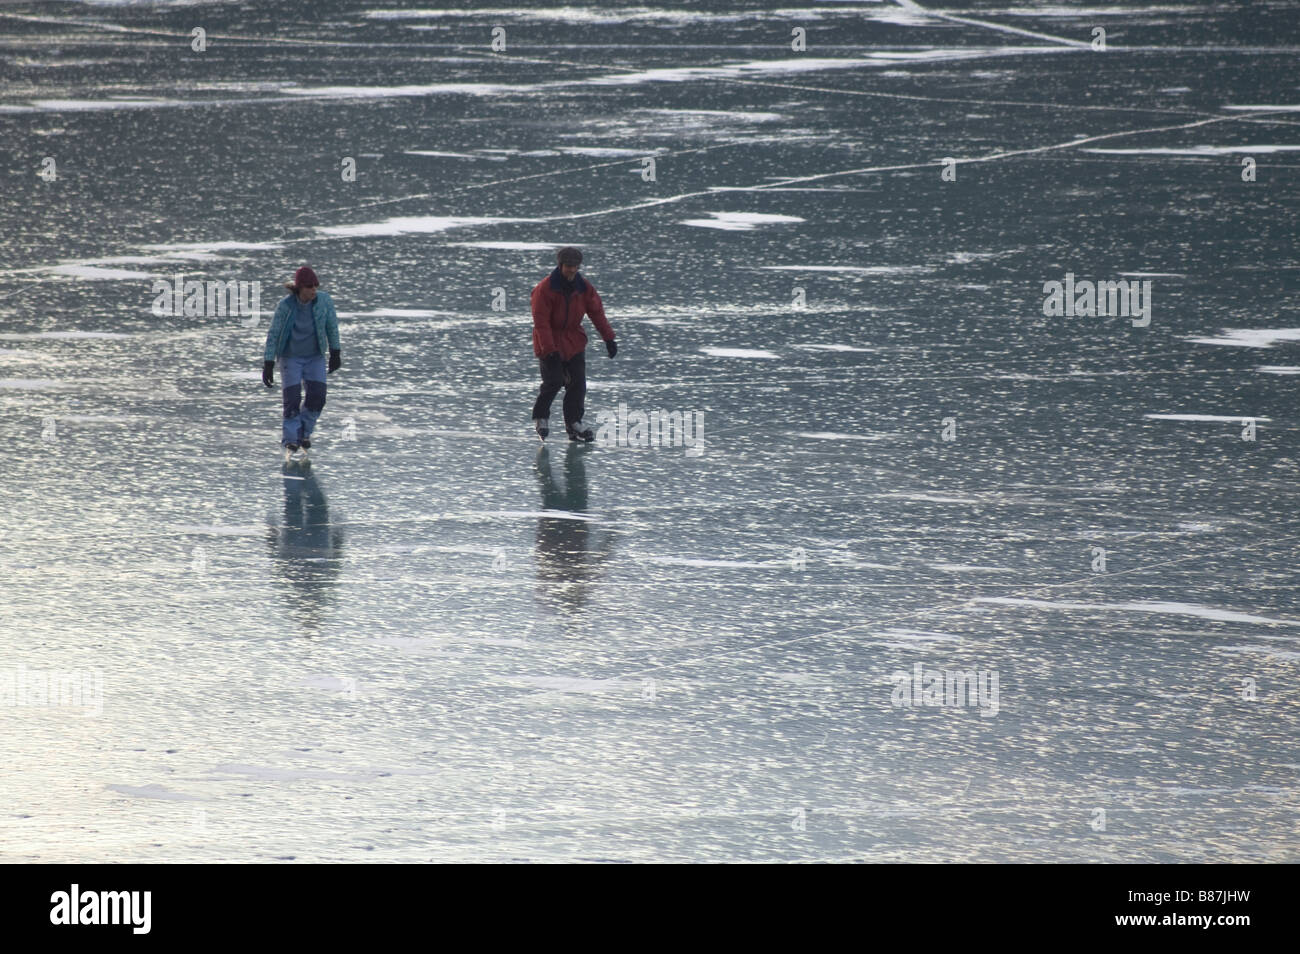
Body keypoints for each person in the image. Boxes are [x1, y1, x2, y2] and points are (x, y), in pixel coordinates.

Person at [530, 246, 616, 441]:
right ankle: (541, 417)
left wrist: (609, 338)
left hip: (574, 341)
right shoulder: (544, 289)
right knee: (554, 381)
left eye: (576, 267)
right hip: (548, 341)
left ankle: (574, 423)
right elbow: (541, 322)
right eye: (569, 266)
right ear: (560, 265)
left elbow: (597, 313)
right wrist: (549, 349)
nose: (572, 270)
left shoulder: (584, 287)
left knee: (578, 383)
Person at [261, 266, 341, 456]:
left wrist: (335, 352)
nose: (314, 290)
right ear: (299, 288)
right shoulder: (286, 306)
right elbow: (273, 334)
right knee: (292, 400)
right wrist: (268, 363)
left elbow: (332, 326)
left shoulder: (324, 302)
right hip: (291, 358)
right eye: (309, 287)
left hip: (315, 357)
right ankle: (291, 439)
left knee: (318, 397)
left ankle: (303, 432)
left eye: (315, 286)